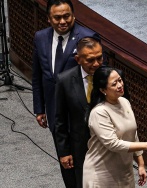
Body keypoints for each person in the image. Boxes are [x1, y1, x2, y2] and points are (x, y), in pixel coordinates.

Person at [32, 0, 98, 186]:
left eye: (66, 16)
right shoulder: (40, 37)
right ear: (49, 19)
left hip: (82, 116)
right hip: (56, 114)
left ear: (74, 16)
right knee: (66, 163)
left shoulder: (87, 37)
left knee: (86, 168)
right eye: (57, 17)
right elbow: (38, 76)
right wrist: (39, 108)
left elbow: (98, 75)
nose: (63, 21)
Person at [82, 66, 147, 188]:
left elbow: (132, 135)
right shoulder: (99, 112)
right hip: (101, 173)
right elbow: (113, 144)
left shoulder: (124, 102)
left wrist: (141, 164)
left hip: (124, 172)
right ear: (103, 89)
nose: (120, 85)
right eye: (114, 84)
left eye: (120, 80)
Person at [54, 36, 103, 187]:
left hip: (107, 147)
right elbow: (59, 120)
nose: (96, 64)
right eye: (90, 60)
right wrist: (64, 151)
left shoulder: (113, 77)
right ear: (78, 59)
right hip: (79, 148)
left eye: (100, 58)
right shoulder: (65, 80)